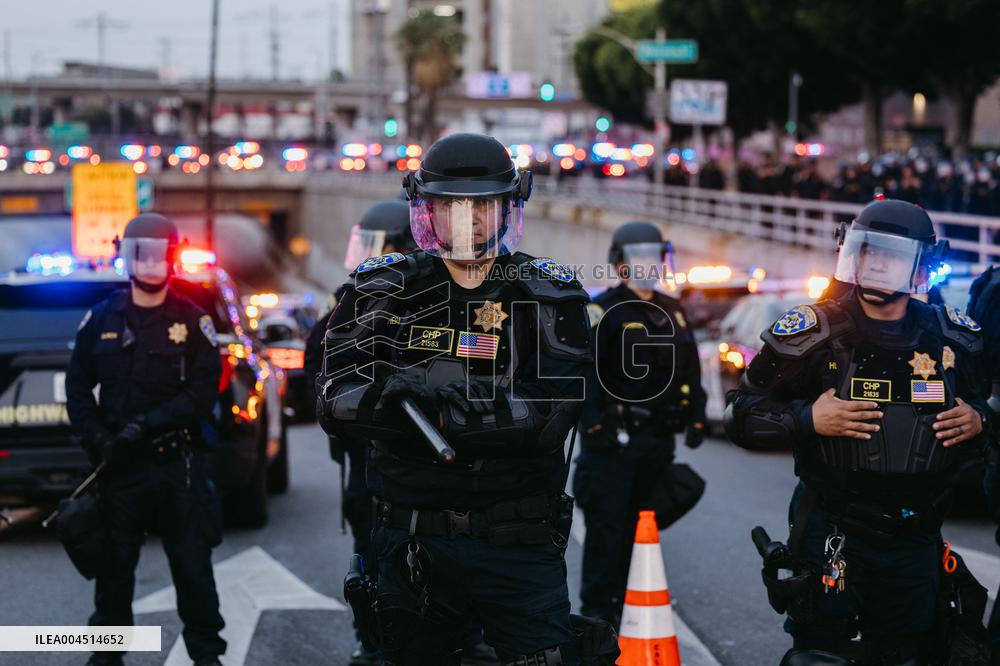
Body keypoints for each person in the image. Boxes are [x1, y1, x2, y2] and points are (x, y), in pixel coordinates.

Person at [318, 133, 606, 664]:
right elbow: (336, 399)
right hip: (411, 544)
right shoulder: (379, 292)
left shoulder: (548, 295)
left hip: (517, 546)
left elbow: (551, 415)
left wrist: (435, 411)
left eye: (483, 206)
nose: (468, 220)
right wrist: (394, 396)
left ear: (508, 207)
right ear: (427, 210)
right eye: (452, 206)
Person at [725, 199, 989, 664]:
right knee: (821, 655)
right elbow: (740, 414)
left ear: (921, 266)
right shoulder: (814, 331)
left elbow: (989, 408)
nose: (877, 263)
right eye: (869, 251)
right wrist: (808, 419)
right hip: (833, 532)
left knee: (911, 655)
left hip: (917, 538)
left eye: (891, 255)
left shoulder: (954, 339)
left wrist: (980, 420)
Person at [65, 213, 226, 666]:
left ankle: (206, 657)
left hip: (178, 468)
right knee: (113, 575)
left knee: (193, 570)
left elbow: (201, 394)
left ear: (173, 259)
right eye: (141, 254)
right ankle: (107, 657)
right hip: (119, 469)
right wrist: (97, 438)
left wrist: (146, 426)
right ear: (126, 257)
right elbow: (77, 387)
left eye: (159, 255)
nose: (150, 264)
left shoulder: (193, 320)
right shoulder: (102, 318)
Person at [573, 221, 707, 628]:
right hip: (614, 442)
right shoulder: (603, 310)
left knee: (643, 527)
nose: (649, 264)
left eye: (654, 256)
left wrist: (696, 415)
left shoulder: (673, 310)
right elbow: (584, 373)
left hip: (657, 440)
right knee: (607, 530)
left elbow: (690, 369)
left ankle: (635, 605)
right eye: (639, 257)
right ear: (620, 263)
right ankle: (599, 617)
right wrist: (594, 424)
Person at [304, 199, 417, 665]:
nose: (368, 256)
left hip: (419, 458)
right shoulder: (350, 299)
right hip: (366, 457)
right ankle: (372, 641)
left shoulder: (430, 301)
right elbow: (318, 365)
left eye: (378, 246)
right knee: (370, 554)